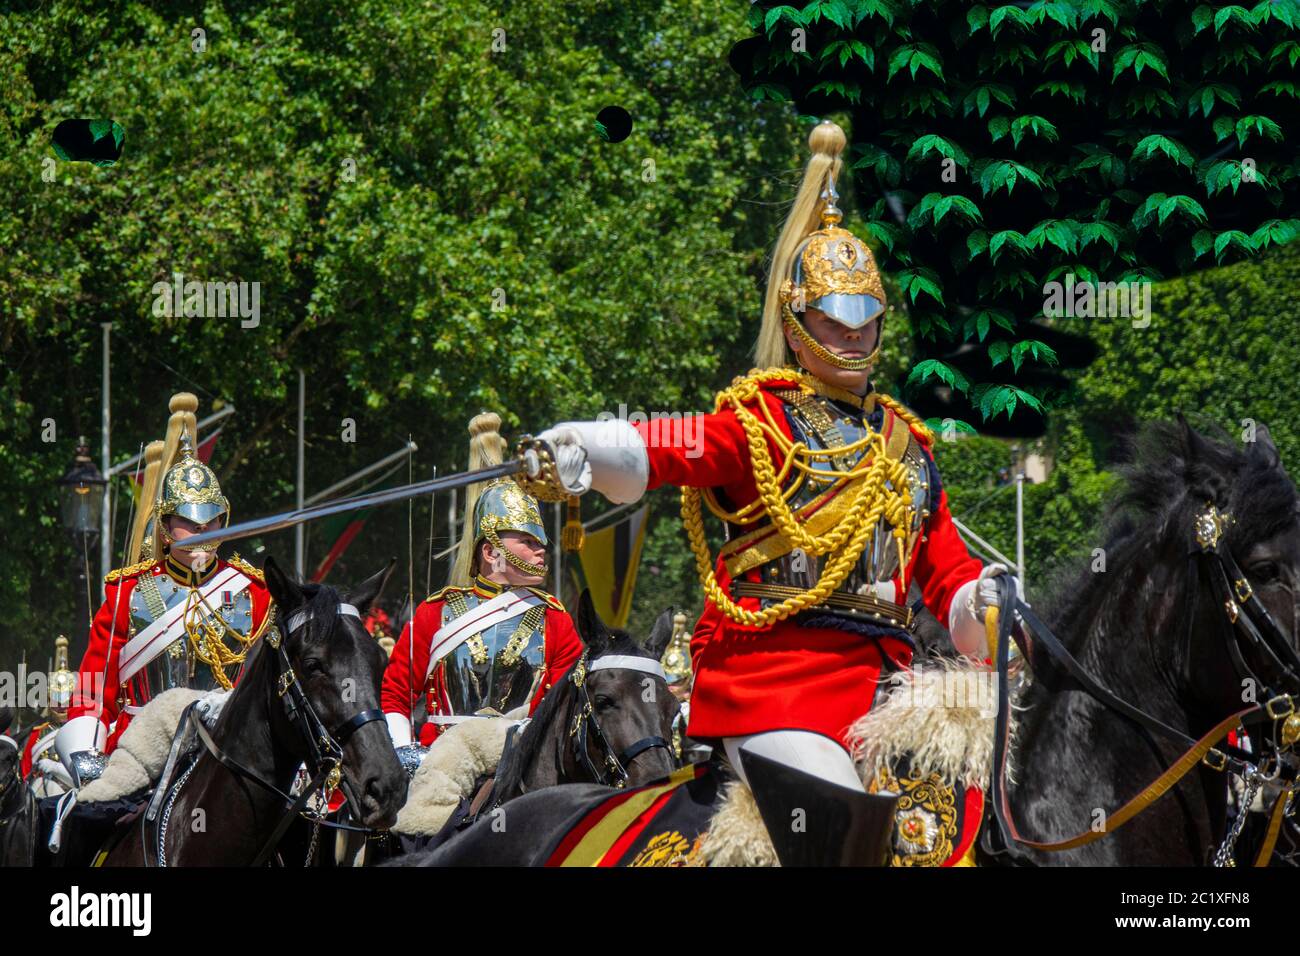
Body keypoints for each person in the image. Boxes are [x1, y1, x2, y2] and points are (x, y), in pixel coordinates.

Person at [534, 120, 1014, 864]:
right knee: (836, 830)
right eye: (835, 317)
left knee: (994, 803)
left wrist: (985, 599)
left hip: (888, 686)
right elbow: (672, 447)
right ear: (798, 324)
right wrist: (585, 449)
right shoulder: (762, 420)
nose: (853, 334)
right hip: (778, 683)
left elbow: (944, 575)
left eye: (867, 317)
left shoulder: (908, 445)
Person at [54, 436, 273, 786]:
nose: (202, 530)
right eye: (189, 521)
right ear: (167, 527)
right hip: (141, 752)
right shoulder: (128, 592)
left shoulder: (255, 592)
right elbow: (95, 688)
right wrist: (85, 752)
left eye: (212, 520)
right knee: (92, 822)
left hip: (229, 752)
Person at [381, 413, 583, 752]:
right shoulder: (435, 613)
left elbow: (567, 702)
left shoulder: (555, 620)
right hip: (441, 762)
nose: (541, 551)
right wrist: (405, 754)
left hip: (523, 762)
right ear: (491, 552)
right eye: (528, 542)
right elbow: (395, 695)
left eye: (541, 543)